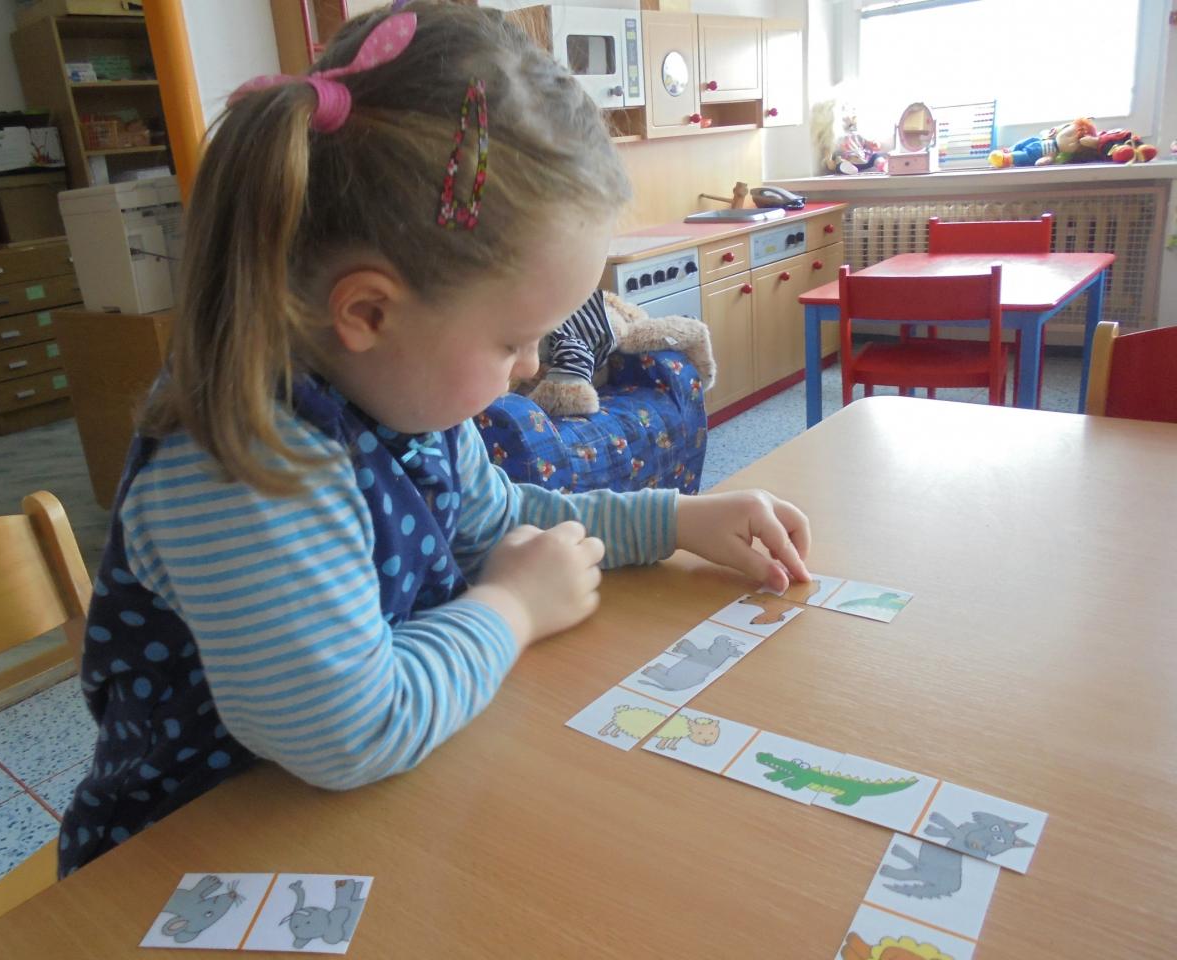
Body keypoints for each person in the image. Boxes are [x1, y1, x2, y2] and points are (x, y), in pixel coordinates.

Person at [59, 1, 810, 877]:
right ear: (369, 313)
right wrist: (512, 610)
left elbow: (500, 522)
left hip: (369, 812)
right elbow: (354, 731)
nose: (531, 368)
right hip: (190, 863)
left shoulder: (402, 399)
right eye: (512, 340)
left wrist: (677, 521)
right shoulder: (242, 471)